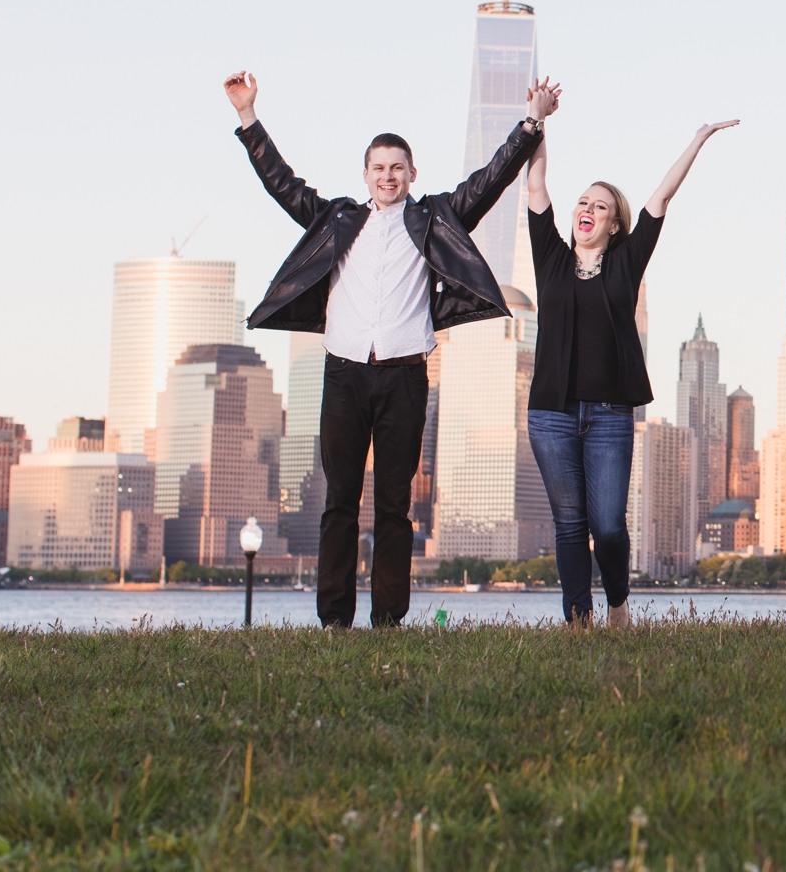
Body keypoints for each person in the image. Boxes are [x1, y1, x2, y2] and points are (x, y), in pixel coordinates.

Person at [224, 70, 555, 628]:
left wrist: (533, 123)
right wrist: (248, 117)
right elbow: (281, 183)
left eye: (397, 168)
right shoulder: (337, 220)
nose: (387, 176)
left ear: (411, 174)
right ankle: (333, 620)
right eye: (378, 168)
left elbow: (491, 179)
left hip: (404, 378)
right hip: (345, 376)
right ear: (365, 175)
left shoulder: (436, 218)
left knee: (395, 506)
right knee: (338, 502)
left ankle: (389, 621)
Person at [523, 98, 737, 627]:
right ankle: (579, 619)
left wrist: (699, 138)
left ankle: (617, 601)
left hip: (610, 416)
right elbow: (535, 185)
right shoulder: (549, 257)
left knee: (610, 525)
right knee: (570, 524)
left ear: (614, 223)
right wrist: (538, 122)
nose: (586, 209)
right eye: (581, 202)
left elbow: (660, 197)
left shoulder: (626, 262)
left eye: (598, 205)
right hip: (550, 413)